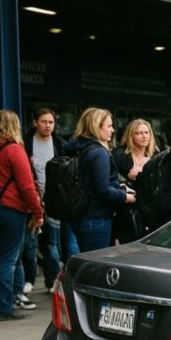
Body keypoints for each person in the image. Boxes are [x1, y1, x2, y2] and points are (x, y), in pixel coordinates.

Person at [0, 110, 43, 321]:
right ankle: (3, 308)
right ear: (14, 126)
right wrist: (38, 211)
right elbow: (26, 186)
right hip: (12, 208)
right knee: (8, 258)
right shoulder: (14, 150)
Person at [70, 108, 135, 252]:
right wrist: (126, 197)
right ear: (95, 126)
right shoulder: (99, 152)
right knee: (95, 266)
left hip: (80, 214)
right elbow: (103, 189)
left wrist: (120, 187)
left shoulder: (79, 147)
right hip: (96, 217)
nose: (112, 130)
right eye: (109, 126)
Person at [24, 108, 73, 289]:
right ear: (35, 122)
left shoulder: (59, 144)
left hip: (53, 200)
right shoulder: (26, 143)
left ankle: (52, 279)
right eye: (44, 122)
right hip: (32, 199)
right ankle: (29, 279)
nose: (48, 126)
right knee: (30, 243)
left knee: (51, 242)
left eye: (51, 122)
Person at [112, 118, 159, 243]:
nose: (143, 136)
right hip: (125, 212)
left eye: (146, 132)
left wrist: (140, 174)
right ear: (131, 136)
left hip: (150, 211)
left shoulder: (156, 156)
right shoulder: (120, 155)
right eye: (138, 133)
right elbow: (111, 179)